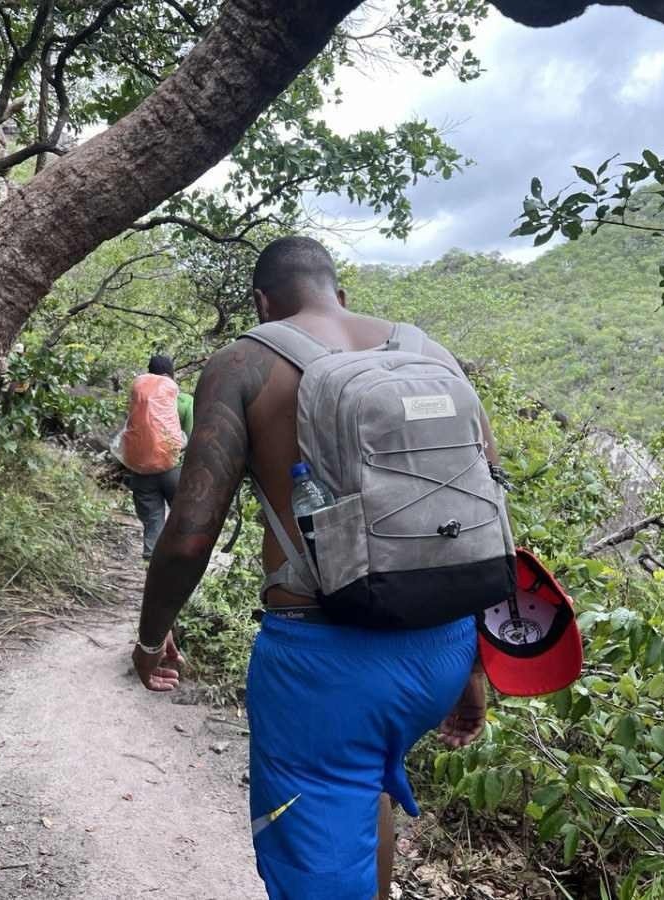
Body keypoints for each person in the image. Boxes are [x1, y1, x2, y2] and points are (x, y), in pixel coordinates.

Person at [132, 237, 498, 899]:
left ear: (262, 302)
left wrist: (150, 638)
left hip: (325, 669)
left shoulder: (244, 362)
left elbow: (188, 536)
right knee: (365, 782)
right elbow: (482, 515)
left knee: (323, 833)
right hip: (442, 648)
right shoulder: (431, 353)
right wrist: (472, 665)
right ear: (341, 294)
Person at [123, 354, 194, 560]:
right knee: (182, 519)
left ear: (149, 373)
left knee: (152, 521)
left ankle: (151, 564)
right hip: (174, 470)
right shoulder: (184, 401)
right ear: (171, 375)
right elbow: (192, 437)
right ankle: (180, 561)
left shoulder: (139, 397)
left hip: (141, 471)